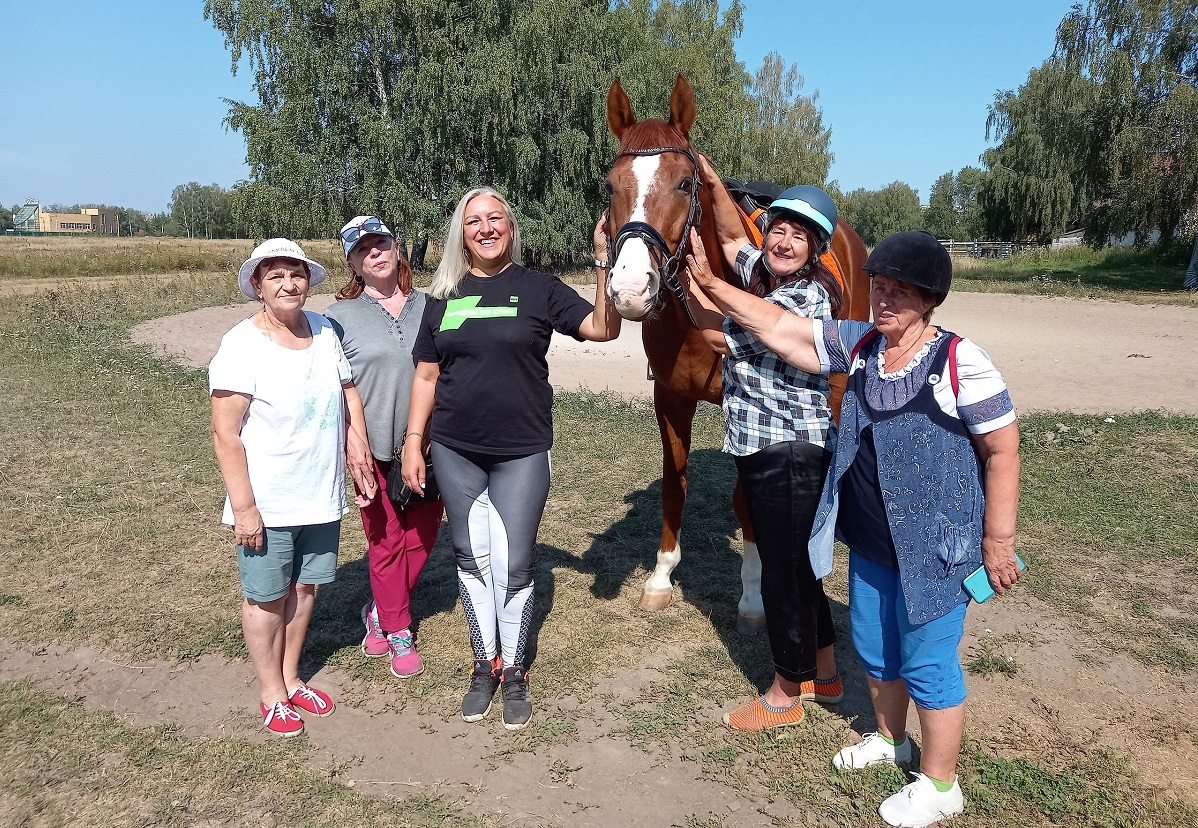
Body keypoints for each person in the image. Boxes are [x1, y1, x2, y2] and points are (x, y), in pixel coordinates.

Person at [686, 229, 1021, 828]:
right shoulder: (863, 344)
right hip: (872, 542)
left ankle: (942, 785)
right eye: (879, 287)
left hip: (937, 552)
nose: (885, 300)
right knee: (874, 648)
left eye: (901, 292)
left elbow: (1002, 449)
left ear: (930, 299)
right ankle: (892, 740)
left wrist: (998, 541)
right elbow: (784, 330)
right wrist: (715, 287)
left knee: (928, 661)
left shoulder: (958, 360)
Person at [402, 187, 619, 730]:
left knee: (516, 564)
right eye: (474, 220)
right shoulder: (441, 297)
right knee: (471, 558)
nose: (486, 227)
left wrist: (601, 261)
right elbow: (427, 376)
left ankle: (516, 670)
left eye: (495, 217)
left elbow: (603, 327)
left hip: (522, 447)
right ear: (461, 232)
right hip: (454, 447)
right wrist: (413, 439)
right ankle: (484, 664)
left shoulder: (539, 288)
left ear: (510, 226)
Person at [683, 164, 844, 731]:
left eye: (800, 236)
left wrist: (696, 280)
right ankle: (824, 671)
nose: (783, 242)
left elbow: (716, 331)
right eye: (778, 229)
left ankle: (783, 693)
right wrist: (708, 176)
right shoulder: (765, 276)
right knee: (799, 564)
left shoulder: (807, 302)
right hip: (762, 446)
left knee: (782, 571)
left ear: (816, 250)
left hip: (791, 451)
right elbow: (730, 236)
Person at [210, 238, 375, 737]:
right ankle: (270, 692)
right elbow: (224, 433)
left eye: (296, 273)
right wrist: (244, 508)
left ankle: (291, 675)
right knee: (267, 596)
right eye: (275, 275)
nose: (288, 283)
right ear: (258, 286)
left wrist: (358, 446)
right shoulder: (242, 344)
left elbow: (347, 389)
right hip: (268, 498)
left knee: (304, 589)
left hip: (319, 492)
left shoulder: (324, 328)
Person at [324, 216, 443, 680]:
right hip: (370, 446)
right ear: (353, 263)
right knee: (385, 541)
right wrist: (351, 444)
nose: (375, 253)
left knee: (423, 536)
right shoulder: (336, 318)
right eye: (363, 249)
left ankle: (379, 609)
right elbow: (334, 385)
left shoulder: (433, 305)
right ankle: (397, 629)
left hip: (429, 444)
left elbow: (446, 372)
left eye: (381, 243)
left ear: (397, 249)